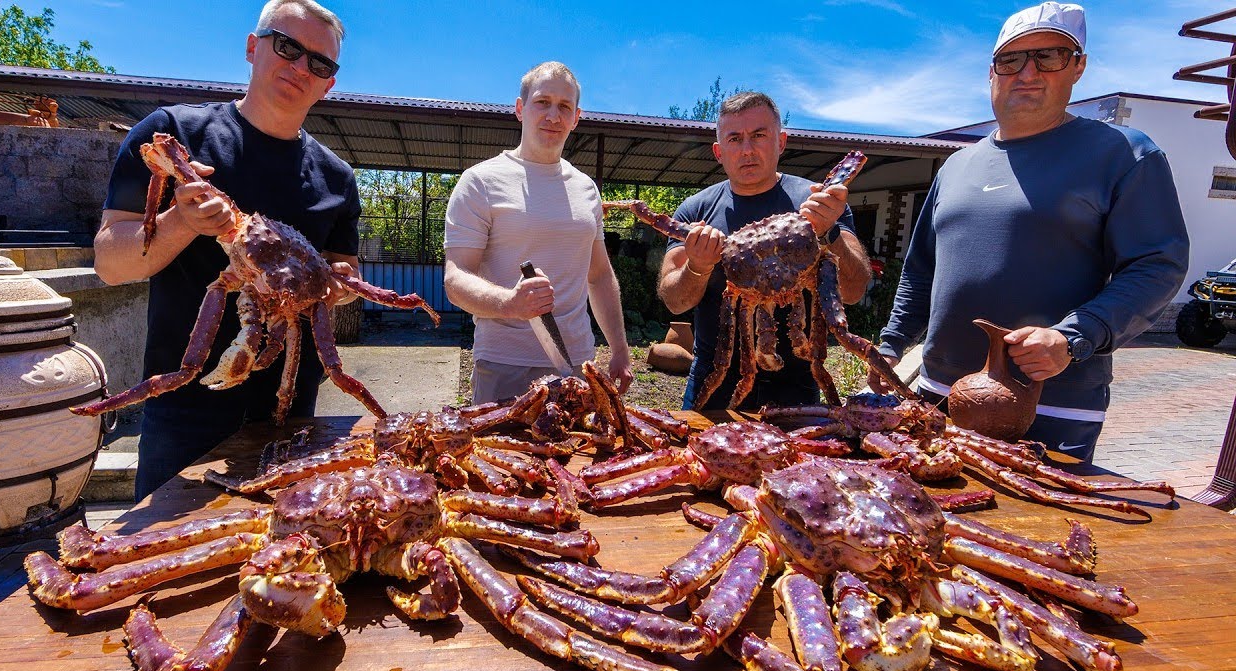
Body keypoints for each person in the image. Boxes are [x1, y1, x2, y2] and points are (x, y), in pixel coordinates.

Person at [872, 2, 1189, 462]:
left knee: (1040, 530)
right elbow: (921, 272)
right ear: (991, 72)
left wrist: (1073, 337)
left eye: (1049, 56)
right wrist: (889, 348)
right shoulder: (958, 166)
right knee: (928, 521)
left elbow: (1158, 265)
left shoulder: (1121, 155)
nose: (1027, 73)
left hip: (1052, 402)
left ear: (1078, 67)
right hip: (938, 395)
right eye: (1011, 60)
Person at [95, 0, 360, 500]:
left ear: (329, 83)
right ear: (252, 47)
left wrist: (334, 286)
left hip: (290, 408)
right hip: (183, 407)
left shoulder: (337, 178)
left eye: (319, 63)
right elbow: (109, 263)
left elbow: (344, 270)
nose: (301, 67)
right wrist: (181, 222)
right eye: (288, 46)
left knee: (287, 559)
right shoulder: (177, 135)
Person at [658, 91, 873, 411]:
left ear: (781, 141)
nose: (747, 149)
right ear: (718, 151)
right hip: (714, 380)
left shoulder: (819, 202)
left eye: (759, 135)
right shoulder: (696, 211)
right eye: (735, 138)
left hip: (799, 383)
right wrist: (698, 267)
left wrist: (830, 233)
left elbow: (854, 291)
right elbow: (674, 301)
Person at [444, 61, 632, 403]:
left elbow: (600, 275)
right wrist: (510, 303)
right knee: (497, 456)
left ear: (576, 118)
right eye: (542, 102)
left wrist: (619, 348)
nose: (553, 116)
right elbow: (456, 278)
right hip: (503, 367)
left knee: (577, 456)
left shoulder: (586, 188)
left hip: (577, 366)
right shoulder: (481, 182)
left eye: (564, 107)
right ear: (520, 109)